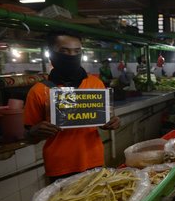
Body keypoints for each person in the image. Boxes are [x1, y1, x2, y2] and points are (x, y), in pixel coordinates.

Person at [23, 31, 121, 181]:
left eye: (77, 51)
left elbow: (102, 120)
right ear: (51, 54)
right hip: (59, 165)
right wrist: (34, 132)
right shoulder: (38, 91)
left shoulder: (96, 84)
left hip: (94, 160)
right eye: (64, 51)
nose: (72, 55)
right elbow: (29, 137)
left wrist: (112, 122)